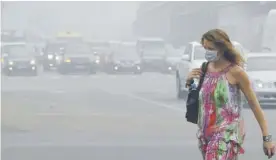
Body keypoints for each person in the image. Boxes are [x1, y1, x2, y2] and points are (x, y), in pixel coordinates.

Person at [185, 29, 275, 160]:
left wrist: (267, 138)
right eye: (205, 48)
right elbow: (201, 97)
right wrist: (190, 82)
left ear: (221, 48)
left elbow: (255, 106)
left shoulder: (236, 72)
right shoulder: (205, 68)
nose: (207, 52)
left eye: (211, 48)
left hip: (227, 135)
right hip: (205, 133)